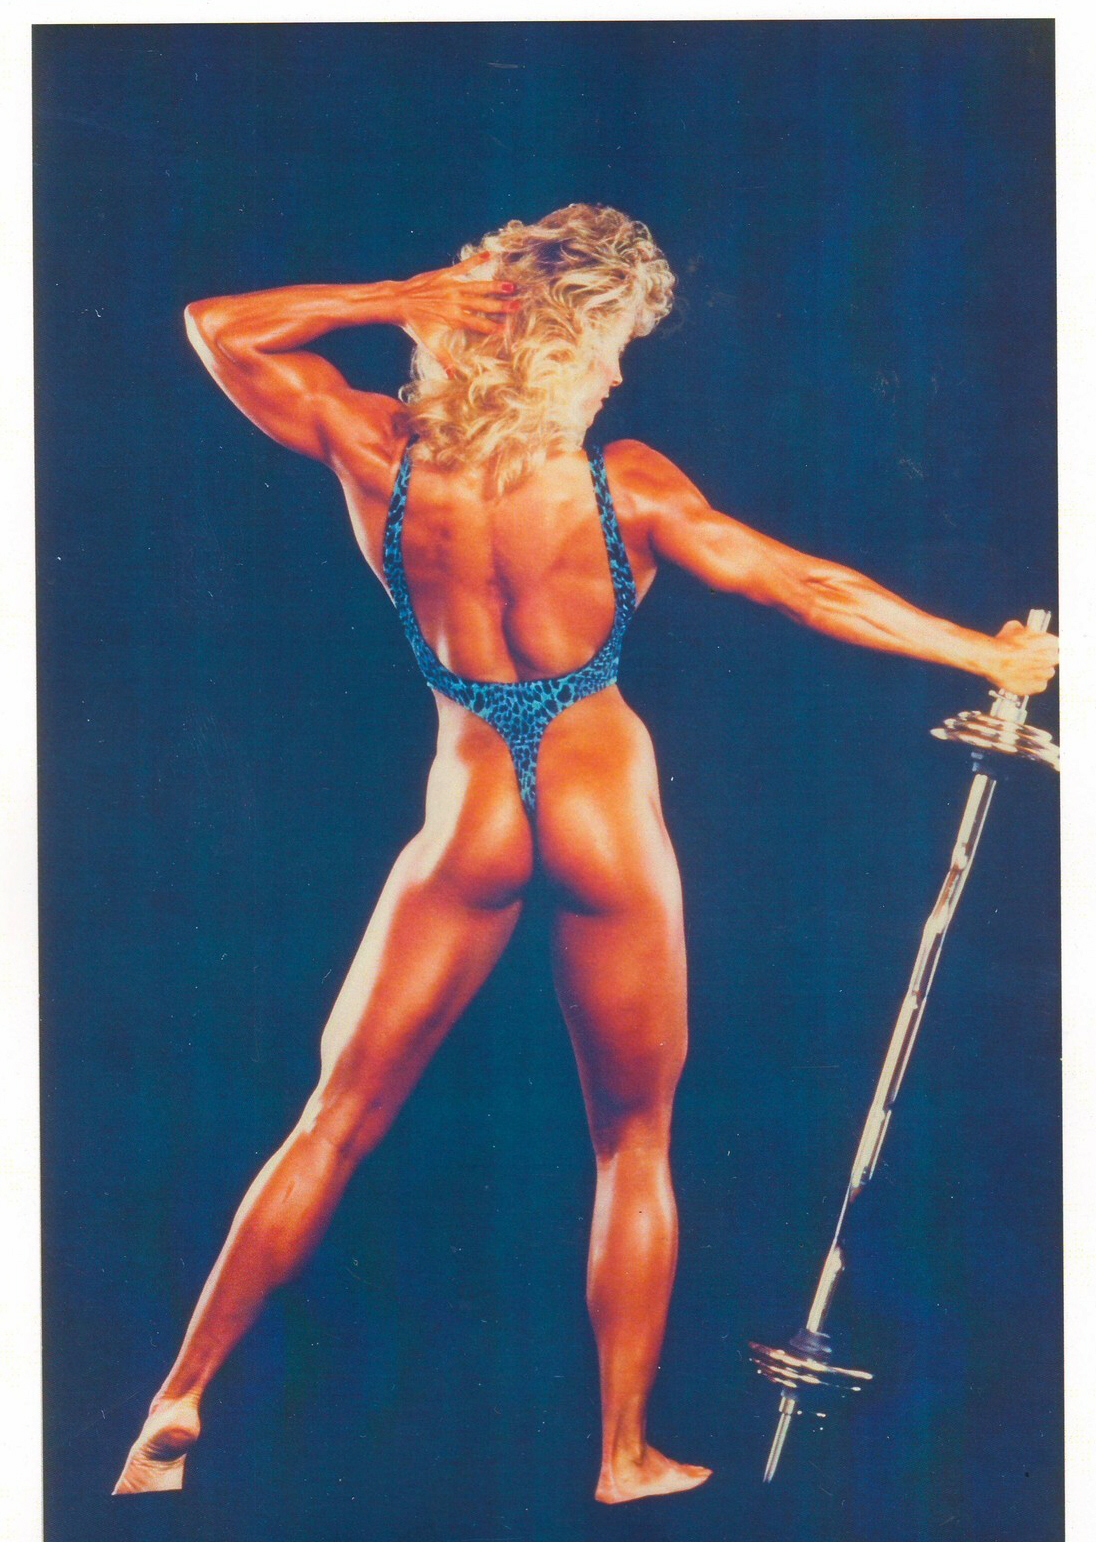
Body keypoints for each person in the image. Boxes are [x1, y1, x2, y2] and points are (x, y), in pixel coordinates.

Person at [113, 204, 1057, 1504]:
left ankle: (176, 1400)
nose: (615, 377)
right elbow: (801, 584)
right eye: (610, 347)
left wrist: (400, 297)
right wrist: (981, 652)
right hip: (600, 806)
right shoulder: (627, 483)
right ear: (567, 345)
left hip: (471, 810)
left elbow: (218, 328)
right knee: (634, 1141)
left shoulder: (374, 449)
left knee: (331, 1122)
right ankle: (624, 1455)